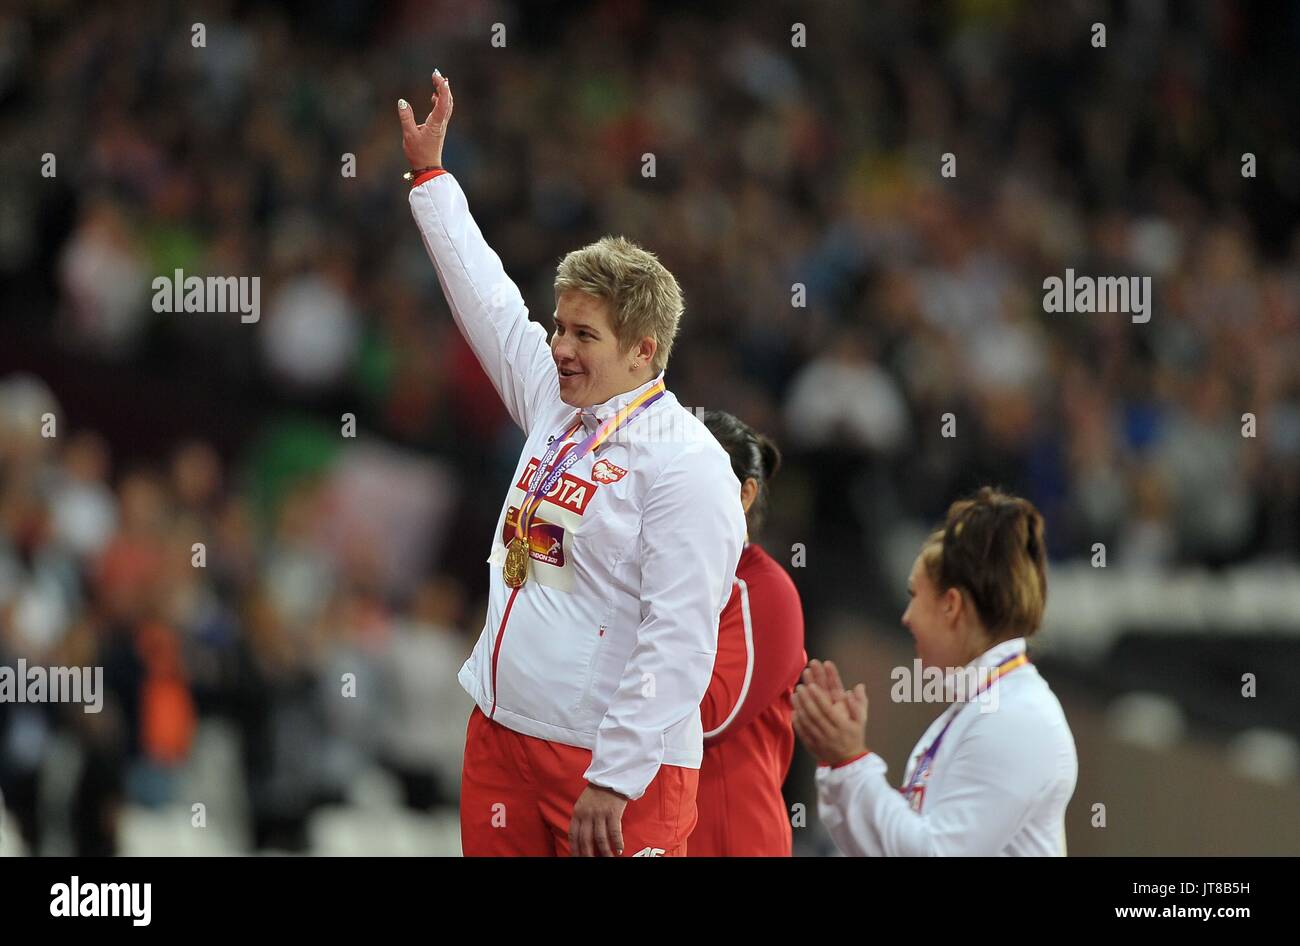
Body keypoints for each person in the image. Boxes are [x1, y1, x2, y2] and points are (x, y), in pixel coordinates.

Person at [397, 72, 746, 856]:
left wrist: (617, 775)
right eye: (560, 328)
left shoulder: (688, 465)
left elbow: (682, 636)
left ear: (643, 351)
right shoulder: (559, 403)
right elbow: (486, 299)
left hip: (612, 768)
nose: (558, 348)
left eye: (583, 335)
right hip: (502, 733)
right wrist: (432, 180)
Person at [793, 487, 1078, 856]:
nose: (906, 617)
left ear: (951, 605)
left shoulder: (1017, 717)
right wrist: (838, 760)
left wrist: (851, 761)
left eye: (914, 595)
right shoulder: (985, 707)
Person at [689, 411, 806, 857]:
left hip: (730, 839)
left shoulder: (764, 589)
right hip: (658, 830)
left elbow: (711, 717)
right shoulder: (656, 573)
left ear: (745, 494)